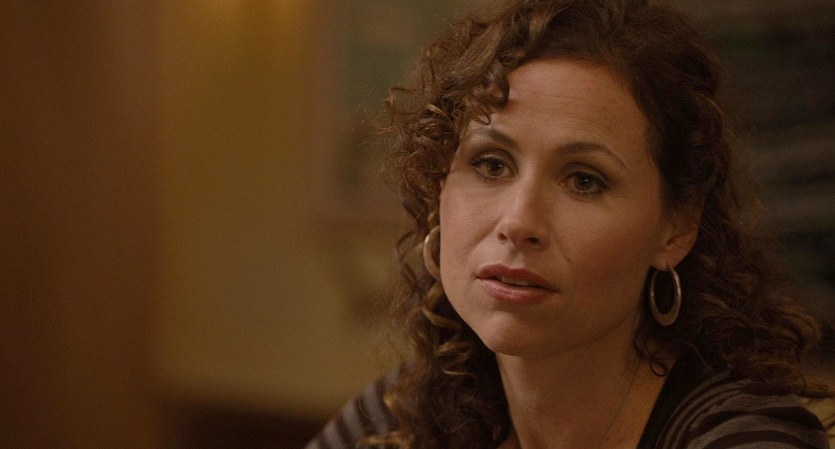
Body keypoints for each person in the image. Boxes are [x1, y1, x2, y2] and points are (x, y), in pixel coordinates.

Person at [306, 0, 832, 448]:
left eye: (584, 181)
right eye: (491, 165)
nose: (519, 221)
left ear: (676, 228)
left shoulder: (743, 438)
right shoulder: (402, 415)